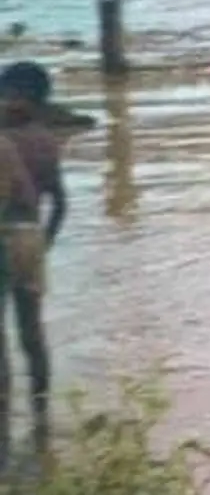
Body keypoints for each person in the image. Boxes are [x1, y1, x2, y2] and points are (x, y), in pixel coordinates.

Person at [0, 62, 66, 455]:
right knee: (32, 333)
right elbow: (59, 203)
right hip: (31, 238)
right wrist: (47, 241)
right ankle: (41, 415)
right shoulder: (45, 141)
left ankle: (3, 432)